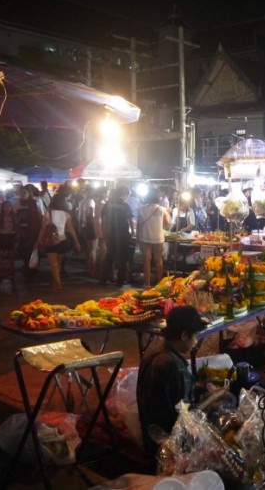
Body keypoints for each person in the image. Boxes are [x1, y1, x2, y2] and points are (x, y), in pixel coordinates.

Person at [137, 306, 207, 462]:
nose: (195, 342)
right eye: (195, 336)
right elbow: (187, 416)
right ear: (184, 335)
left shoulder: (153, 352)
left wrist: (196, 387)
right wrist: (215, 397)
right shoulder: (174, 366)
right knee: (223, 406)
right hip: (168, 446)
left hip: (150, 437)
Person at [36, 192, 81, 292]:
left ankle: (58, 284)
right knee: (58, 264)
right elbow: (71, 229)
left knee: (53, 264)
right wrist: (76, 242)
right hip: (62, 240)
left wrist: (38, 241)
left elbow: (43, 229)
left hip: (51, 241)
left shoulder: (48, 213)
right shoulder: (66, 214)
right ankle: (55, 282)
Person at [100, 186, 135, 286]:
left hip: (111, 233)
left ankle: (103, 280)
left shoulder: (108, 204)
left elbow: (104, 220)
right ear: (124, 195)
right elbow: (131, 220)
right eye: (127, 195)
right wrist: (133, 232)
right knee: (123, 258)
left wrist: (105, 232)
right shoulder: (125, 205)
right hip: (123, 234)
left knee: (109, 256)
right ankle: (120, 281)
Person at [137, 188, 171, 288]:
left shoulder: (142, 209)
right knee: (158, 259)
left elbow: (139, 225)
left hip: (145, 236)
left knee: (146, 260)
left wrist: (137, 238)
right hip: (158, 237)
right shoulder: (162, 209)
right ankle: (159, 284)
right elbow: (168, 223)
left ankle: (147, 283)